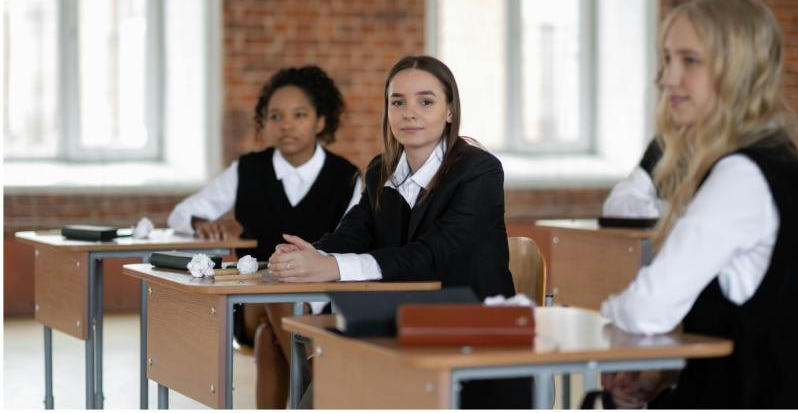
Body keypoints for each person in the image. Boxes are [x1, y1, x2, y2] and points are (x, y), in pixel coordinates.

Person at [599, 0, 798, 408]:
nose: (668, 78)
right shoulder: (780, 160)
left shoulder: (742, 176)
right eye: (668, 58)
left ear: (740, 72)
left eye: (689, 61)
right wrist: (662, 373)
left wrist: (609, 311)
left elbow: (646, 309)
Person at [268, 55, 531, 408]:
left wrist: (333, 266)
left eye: (425, 101)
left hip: (472, 341)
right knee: (324, 389)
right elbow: (352, 234)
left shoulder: (479, 172)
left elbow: (431, 256)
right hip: (400, 331)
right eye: (398, 102)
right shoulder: (381, 171)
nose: (409, 113)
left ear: (450, 111)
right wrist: (306, 256)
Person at [167, 65, 361, 408]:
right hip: (254, 303)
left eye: (299, 115)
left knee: (270, 336)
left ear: (320, 121)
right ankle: (325, 394)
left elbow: (355, 242)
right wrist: (202, 225)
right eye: (275, 116)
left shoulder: (347, 178)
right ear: (265, 122)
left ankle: (317, 398)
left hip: (321, 299)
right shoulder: (248, 170)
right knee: (273, 289)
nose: (286, 124)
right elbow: (180, 214)